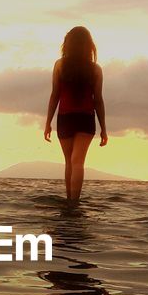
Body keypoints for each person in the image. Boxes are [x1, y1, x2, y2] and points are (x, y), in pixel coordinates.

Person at [43, 26, 108, 201]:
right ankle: (74, 203)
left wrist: (48, 122)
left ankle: (68, 203)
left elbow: (54, 95)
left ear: (68, 44)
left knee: (69, 162)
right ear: (89, 45)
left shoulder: (59, 65)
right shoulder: (96, 69)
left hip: (65, 117)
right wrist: (104, 129)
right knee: (78, 162)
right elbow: (98, 101)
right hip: (86, 118)